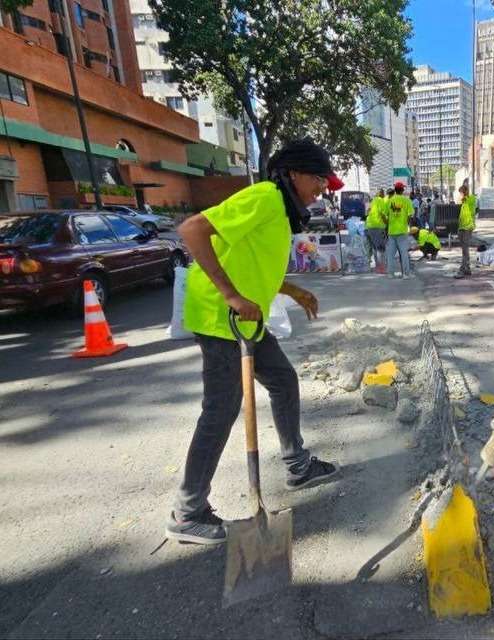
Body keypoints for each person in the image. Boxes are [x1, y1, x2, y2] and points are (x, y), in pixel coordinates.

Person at [165, 139, 340, 545]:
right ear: (294, 173)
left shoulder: (281, 210)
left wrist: (292, 290)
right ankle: (187, 511)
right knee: (222, 408)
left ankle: (297, 464)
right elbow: (192, 231)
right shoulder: (264, 197)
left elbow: (251, 262)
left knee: (282, 379)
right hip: (220, 316)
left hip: (247, 319)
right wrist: (230, 295)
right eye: (318, 180)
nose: (322, 189)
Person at [385, 181, 414, 278]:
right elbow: (410, 215)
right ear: (402, 190)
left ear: (395, 190)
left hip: (392, 231)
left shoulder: (390, 200)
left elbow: (385, 215)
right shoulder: (407, 201)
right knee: (404, 253)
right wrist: (406, 223)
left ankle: (390, 274)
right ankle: (406, 274)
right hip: (402, 231)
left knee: (390, 254)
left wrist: (388, 225)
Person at [454, 184, 477, 279]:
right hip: (462, 227)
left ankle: (462, 269)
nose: (460, 195)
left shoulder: (471, 199)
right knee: (464, 249)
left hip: (468, 227)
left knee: (465, 250)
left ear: (465, 192)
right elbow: (462, 216)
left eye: (461, 193)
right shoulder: (464, 202)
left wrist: (465, 198)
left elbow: (471, 211)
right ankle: (467, 268)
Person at [365, 189, 388, 273]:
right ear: (382, 194)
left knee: (375, 247)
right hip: (378, 226)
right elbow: (382, 214)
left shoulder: (373, 201)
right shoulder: (381, 201)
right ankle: (381, 268)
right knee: (381, 248)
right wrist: (387, 222)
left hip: (369, 226)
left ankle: (377, 266)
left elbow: (368, 212)